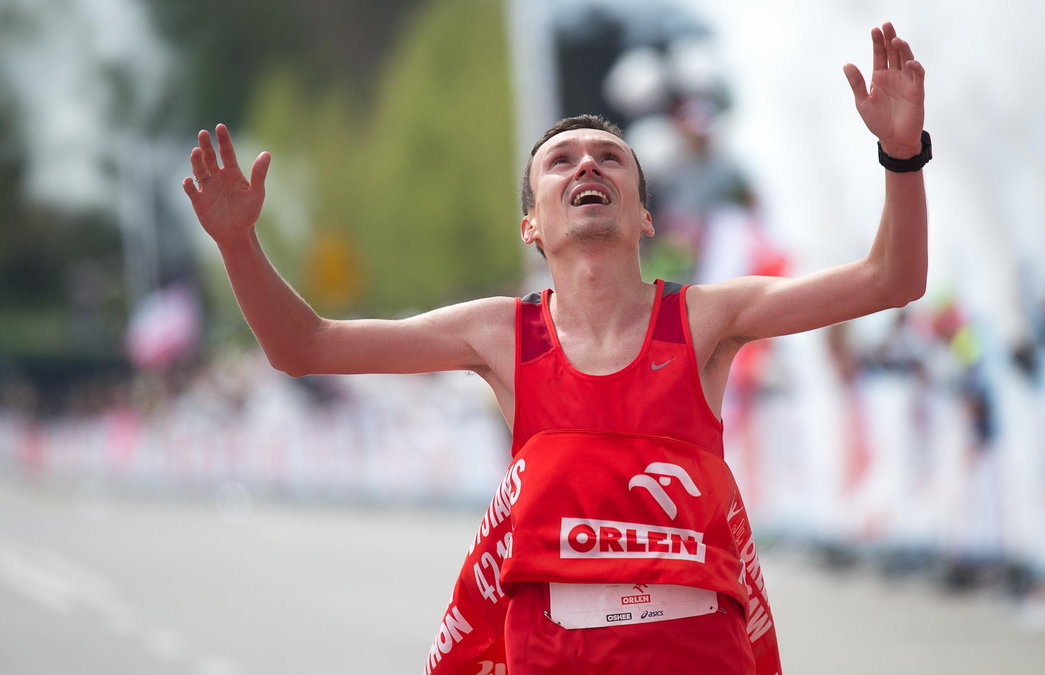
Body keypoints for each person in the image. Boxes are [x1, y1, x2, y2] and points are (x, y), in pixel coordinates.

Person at [184, 21, 928, 675]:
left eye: (609, 157)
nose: (586, 165)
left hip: (695, 651)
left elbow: (890, 278)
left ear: (643, 216)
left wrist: (902, 156)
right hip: (552, 651)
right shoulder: (501, 335)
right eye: (561, 160)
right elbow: (305, 346)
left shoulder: (705, 318)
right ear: (531, 225)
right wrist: (240, 245)